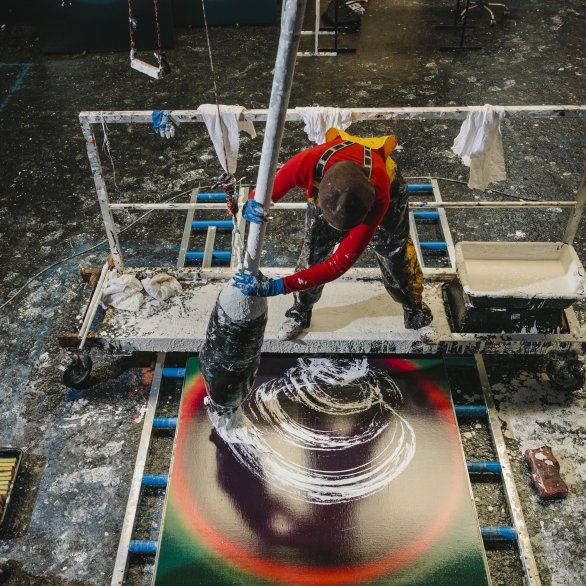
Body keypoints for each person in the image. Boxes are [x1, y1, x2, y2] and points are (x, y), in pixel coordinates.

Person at [232, 128, 432, 340]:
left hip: (385, 191)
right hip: (332, 194)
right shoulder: (305, 164)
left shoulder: (379, 194)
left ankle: (415, 311)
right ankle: (300, 310)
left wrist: (279, 286)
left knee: (396, 254)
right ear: (317, 191)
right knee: (313, 253)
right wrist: (253, 202)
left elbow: (338, 264)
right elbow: (268, 188)